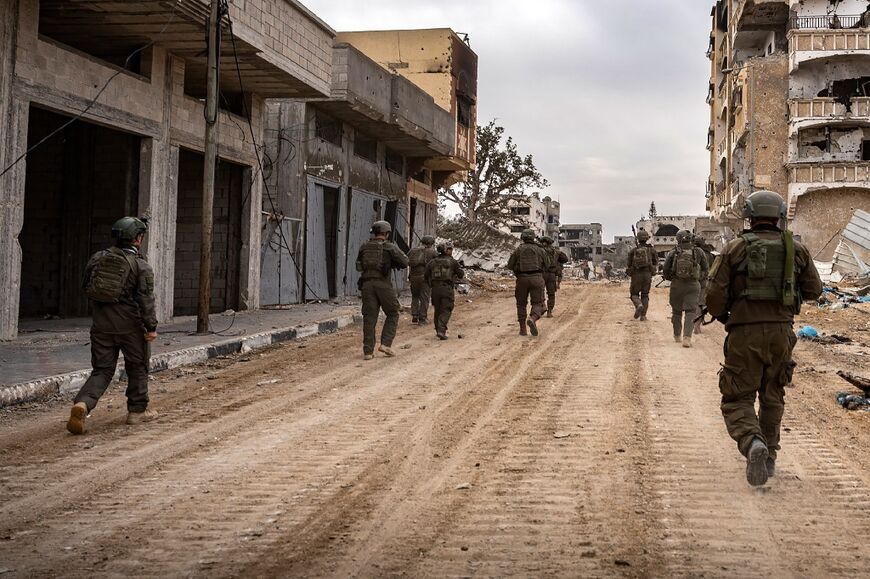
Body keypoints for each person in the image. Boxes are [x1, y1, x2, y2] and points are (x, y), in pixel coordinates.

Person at [705, 190, 822, 487]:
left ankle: (752, 441)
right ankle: (769, 455)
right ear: (779, 216)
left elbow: (714, 295)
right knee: (773, 396)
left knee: (737, 397)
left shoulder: (735, 248)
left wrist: (726, 317)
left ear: (749, 216)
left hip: (744, 333)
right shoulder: (796, 249)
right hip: (782, 334)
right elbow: (814, 291)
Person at [66, 217, 159, 435]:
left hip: (101, 326)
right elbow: (146, 300)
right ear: (137, 239)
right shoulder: (141, 266)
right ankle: (137, 411)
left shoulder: (98, 258)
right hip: (130, 327)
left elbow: (85, 286)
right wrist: (151, 327)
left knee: (102, 370)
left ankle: (83, 404)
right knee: (137, 366)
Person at [356, 220, 409, 360]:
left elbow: (359, 267)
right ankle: (385, 344)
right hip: (383, 284)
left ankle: (368, 351)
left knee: (369, 317)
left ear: (374, 233)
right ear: (386, 233)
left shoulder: (364, 247)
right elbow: (404, 262)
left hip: (366, 285)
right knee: (393, 312)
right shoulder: (389, 247)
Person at [663, 230, 709, 348]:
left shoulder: (673, 252)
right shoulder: (699, 252)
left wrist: (672, 278)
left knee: (676, 311)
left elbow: (666, 270)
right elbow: (706, 268)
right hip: (693, 285)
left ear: (678, 239)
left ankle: (677, 335)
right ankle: (687, 338)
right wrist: (698, 278)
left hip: (677, 284)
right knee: (690, 311)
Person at [507, 229, 550, 336]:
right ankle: (533, 318)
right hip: (537, 278)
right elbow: (548, 264)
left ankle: (522, 330)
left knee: (521, 304)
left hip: (521, 279)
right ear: (533, 237)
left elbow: (510, 265)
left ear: (522, 237)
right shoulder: (540, 250)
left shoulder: (518, 250)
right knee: (537, 303)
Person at [425, 242, 464, 340]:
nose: (452, 251)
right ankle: (441, 330)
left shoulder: (432, 262)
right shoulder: (452, 262)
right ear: (446, 251)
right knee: (446, 309)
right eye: (450, 249)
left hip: (435, 289)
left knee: (437, 309)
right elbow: (461, 274)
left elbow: (426, 275)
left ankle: (438, 329)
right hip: (446, 288)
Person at [626, 229, 658, 321]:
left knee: (634, 294)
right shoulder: (652, 250)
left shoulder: (634, 250)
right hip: (647, 274)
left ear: (638, 239)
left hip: (636, 274)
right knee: (645, 295)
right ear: (647, 239)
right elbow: (656, 262)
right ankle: (643, 316)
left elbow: (629, 263)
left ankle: (638, 305)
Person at [407, 235, 438, 325]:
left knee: (415, 296)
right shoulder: (432, 252)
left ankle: (415, 315)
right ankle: (422, 318)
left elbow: (406, 260)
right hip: (425, 278)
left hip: (413, 277)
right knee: (424, 298)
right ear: (430, 243)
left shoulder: (412, 251)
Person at [540, 236, 569, 317]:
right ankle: (549, 311)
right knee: (551, 294)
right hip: (551, 275)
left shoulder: (539, 251)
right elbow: (565, 259)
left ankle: (542, 306)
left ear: (543, 243)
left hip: (541, 274)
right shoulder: (556, 252)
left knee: (540, 292)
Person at [693, 234, 716, 335]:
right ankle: (697, 325)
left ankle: (693, 324)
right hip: (704, 281)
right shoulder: (709, 254)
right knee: (701, 303)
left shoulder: (691, 252)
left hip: (692, 280)